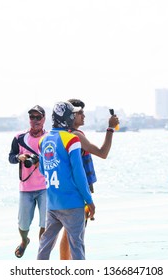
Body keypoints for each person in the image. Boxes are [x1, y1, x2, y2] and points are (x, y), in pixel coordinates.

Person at [59, 98, 119, 260]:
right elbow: (103, 152)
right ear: (71, 116)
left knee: (69, 232)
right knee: (74, 234)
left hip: (65, 191)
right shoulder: (76, 135)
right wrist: (110, 128)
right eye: (80, 113)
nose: (83, 116)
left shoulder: (63, 135)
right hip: (78, 192)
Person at [37, 101, 95, 260]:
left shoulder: (43, 140)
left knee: (45, 245)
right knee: (76, 245)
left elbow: (42, 169)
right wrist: (89, 200)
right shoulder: (71, 140)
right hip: (73, 204)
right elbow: (79, 173)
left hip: (53, 203)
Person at [8, 105, 48, 258]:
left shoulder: (49, 138)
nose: (35, 120)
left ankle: (42, 252)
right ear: (29, 119)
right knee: (23, 224)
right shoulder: (19, 138)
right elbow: (11, 157)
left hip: (45, 187)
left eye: (38, 117)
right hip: (26, 188)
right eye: (32, 117)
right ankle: (24, 241)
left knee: (45, 223)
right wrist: (19, 157)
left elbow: (56, 160)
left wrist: (41, 161)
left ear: (44, 119)